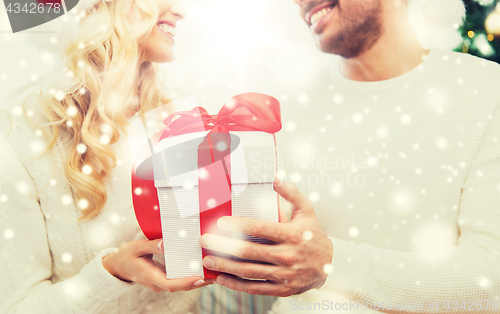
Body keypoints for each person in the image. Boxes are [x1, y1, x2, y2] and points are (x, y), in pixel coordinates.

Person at [196, 0, 500, 313]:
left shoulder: (488, 91)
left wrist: (331, 264)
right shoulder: (280, 113)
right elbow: (246, 265)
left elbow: (490, 278)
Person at [0, 0, 217, 312]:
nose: (181, 11)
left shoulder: (177, 117)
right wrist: (113, 271)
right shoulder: (19, 137)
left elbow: (207, 258)